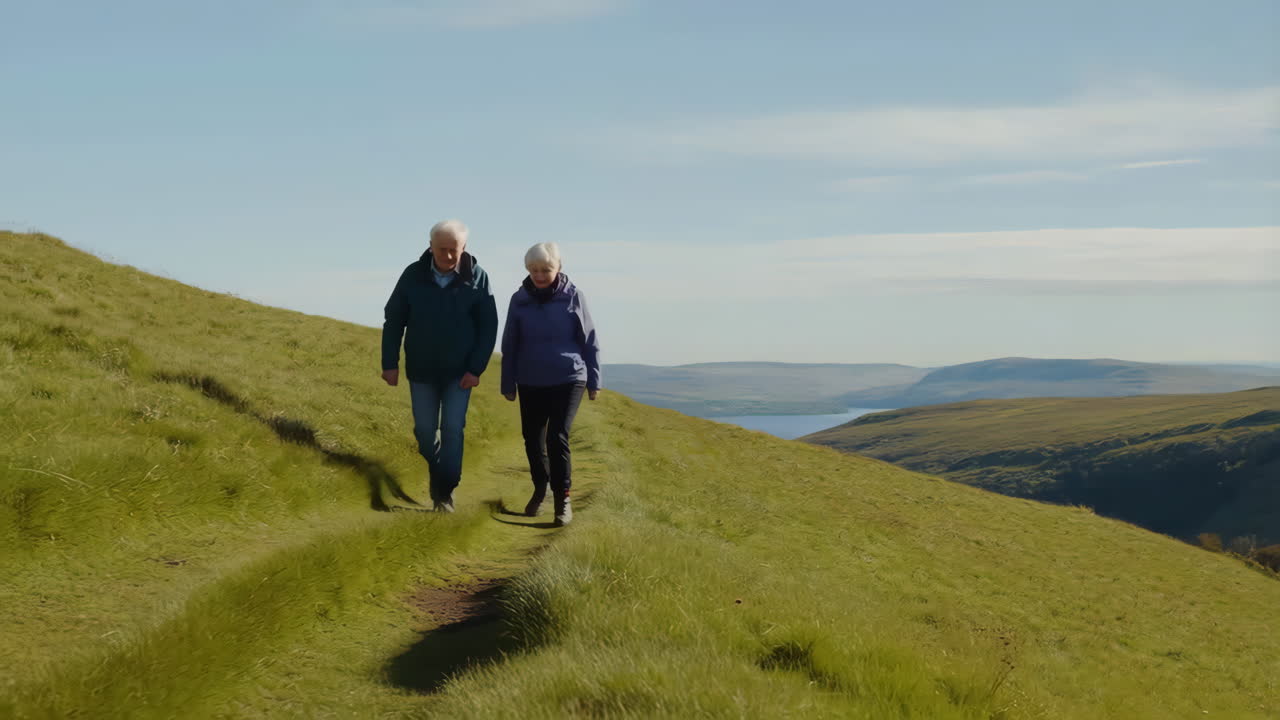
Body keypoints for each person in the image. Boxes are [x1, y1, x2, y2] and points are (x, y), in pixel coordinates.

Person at [382, 220, 498, 512]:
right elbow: (394, 320)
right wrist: (389, 363)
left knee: (452, 429)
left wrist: (476, 369)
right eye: (441, 249)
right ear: (430, 246)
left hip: (460, 374)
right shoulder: (413, 275)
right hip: (421, 369)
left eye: (453, 250)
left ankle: (444, 492)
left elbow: (488, 327)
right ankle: (439, 471)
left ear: (464, 249)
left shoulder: (478, 278)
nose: (447, 256)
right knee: (424, 432)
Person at [500, 242, 600, 526]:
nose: (540, 275)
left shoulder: (574, 297)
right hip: (531, 379)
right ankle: (540, 487)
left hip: (569, 377)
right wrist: (508, 382)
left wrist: (594, 379)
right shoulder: (518, 300)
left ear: (559, 268)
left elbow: (589, 340)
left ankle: (562, 499)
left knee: (557, 436)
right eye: (534, 270)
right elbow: (510, 343)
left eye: (546, 269)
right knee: (532, 440)